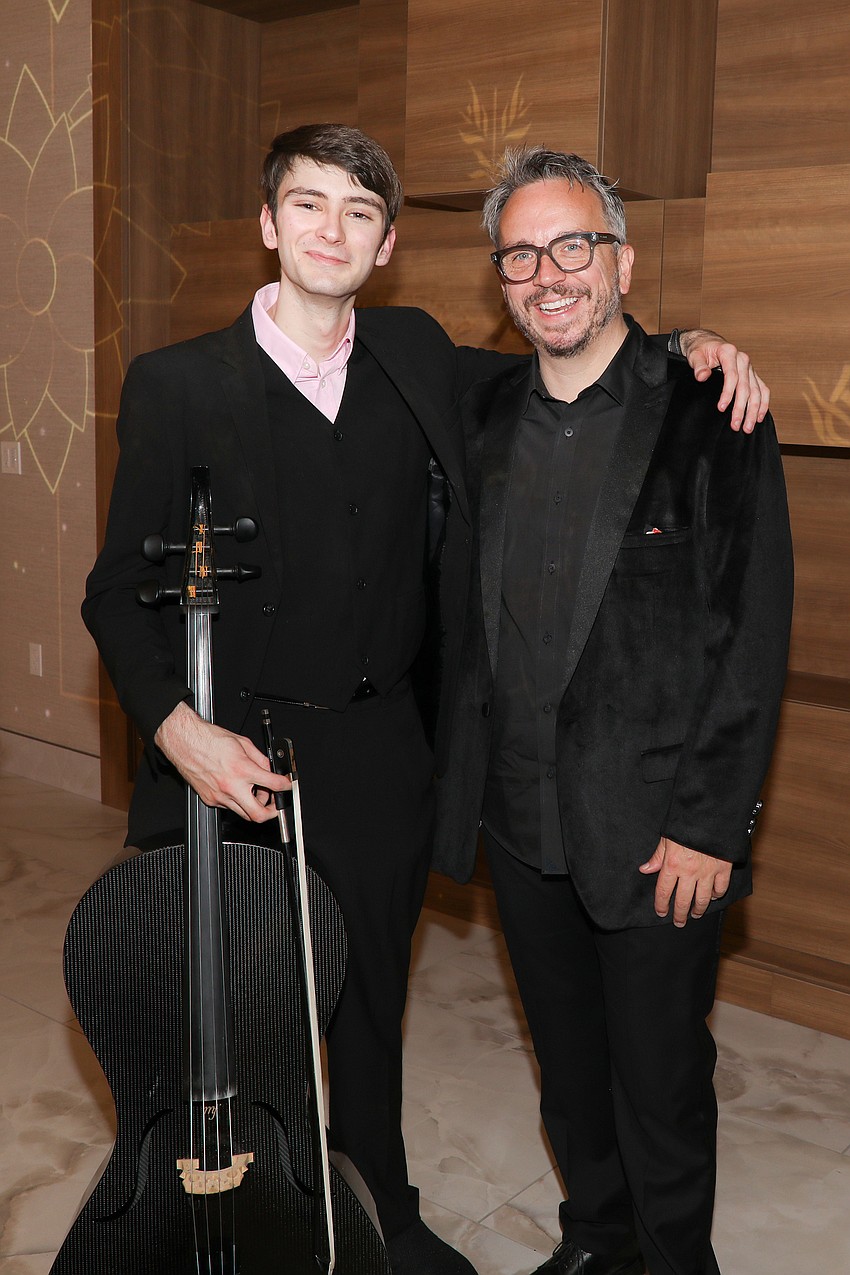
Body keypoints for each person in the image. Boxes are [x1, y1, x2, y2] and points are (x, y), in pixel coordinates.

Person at [83, 124, 770, 1275]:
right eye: (307, 206)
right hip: (230, 748)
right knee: (241, 1018)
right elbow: (116, 593)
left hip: (378, 751)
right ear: (269, 223)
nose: (331, 231)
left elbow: (574, 359)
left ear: (389, 243)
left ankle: (380, 1216)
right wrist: (174, 727)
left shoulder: (413, 352)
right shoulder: (176, 382)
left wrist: (693, 346)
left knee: (367, 1011)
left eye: (358, 213)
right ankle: (252, 1224)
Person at [432, 147, 793, 1275]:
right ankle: (593, 1241)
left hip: (656, 834)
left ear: (622, 262)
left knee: (661, 1084)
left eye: (573, 246)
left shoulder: (710, 408)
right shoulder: (474, 406)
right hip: (521, 817)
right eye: (522, 254)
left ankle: (673, 1259)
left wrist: (709, 822)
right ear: (500, 278)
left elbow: (752, 636)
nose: (549, 273)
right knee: (570, 1071)